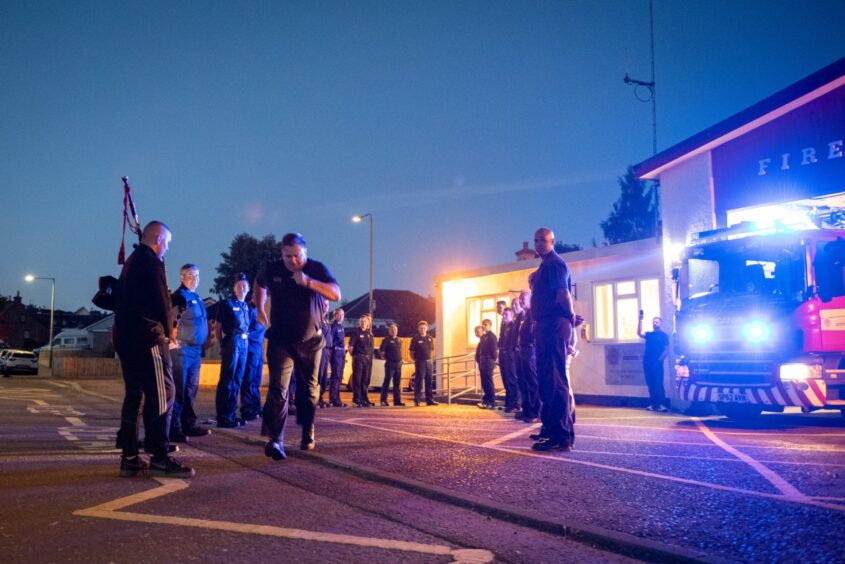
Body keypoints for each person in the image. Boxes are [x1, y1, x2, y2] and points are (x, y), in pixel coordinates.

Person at [113, 220, 194, 478]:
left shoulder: (132, 262)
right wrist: (168, 333)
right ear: (158, 239)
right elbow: (161, 303)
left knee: (134, 396)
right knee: (164, 394)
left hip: (126, 339)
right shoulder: (152, 263)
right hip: (148, 338)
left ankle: (129, 456)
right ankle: (159, 455)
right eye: (167, 243)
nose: (167, 248)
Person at [255, 233, 341, 460]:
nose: (292, 261)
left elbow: (336, 293)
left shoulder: (316, 268)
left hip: (311, 343)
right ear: (281, 254)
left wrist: (309, 282)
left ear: (305, 253)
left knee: (309, 390)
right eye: (287, 256)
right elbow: (259, 283)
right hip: (281, 341)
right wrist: (260, 308)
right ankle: (276, 440)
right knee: (278, 390)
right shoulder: (272, 269)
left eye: (297, 256)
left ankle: (307, 429)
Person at [530, 227, 577, 452]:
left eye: (543, 240)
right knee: (547, 380)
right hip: (545, 326)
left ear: (552, 241)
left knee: (555, 379)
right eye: (536, 240)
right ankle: (550, 428)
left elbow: (563, 295)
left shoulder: (555, 264)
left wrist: (570, 317)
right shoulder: (544, 265)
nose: (539, 244)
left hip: (554, 325)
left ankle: (562, 435)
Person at [170, 264, 210, 443]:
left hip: (195, 350)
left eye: (197, 276)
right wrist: (173, 339)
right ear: (181, 278)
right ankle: (174, 427)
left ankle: (189, 424)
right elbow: (171, 319)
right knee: (179, 389)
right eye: (190, 276)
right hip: (182, 349)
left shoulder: (197, 298)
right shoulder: (179, 296)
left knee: (191, 389)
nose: (194, 279)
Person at [215, 273, 251, 428]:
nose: (242, 289)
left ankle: (231, 414)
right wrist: (222, 344)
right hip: (232, 341)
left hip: (244, 342)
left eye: (245, 286)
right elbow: (218, 326)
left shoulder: (246, 306)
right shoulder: (227, 304)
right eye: (239, 286)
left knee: (237, 379)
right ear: (234, 287)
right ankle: (223, 416)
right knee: (227, 379)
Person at [514, 290, 539, 423]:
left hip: (530, 351)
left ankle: (534, 412)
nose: (521, 301)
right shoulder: (525, 315)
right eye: (520, 298)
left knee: (532, 383)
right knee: (523, 382)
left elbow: (534, 333)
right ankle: (527, 409)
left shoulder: (533, 313)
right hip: (523, 351)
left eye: (524, 298)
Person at [638, 312, 670, 412]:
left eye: (657, 322)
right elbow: (639, 333)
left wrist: (659, 360)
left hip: (657, 363)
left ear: (660, 324)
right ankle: (653, 404)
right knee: (650, 383)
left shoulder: (664, 335)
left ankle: (661, 404)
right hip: (647, 362)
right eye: (654, 322)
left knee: (658, 383)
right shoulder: (649, 335)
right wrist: (640, 320)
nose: (655, 323)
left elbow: (667, 350)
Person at [241, 296, 266, 422]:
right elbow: (245, 328)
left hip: (259, 349)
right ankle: (247, 408)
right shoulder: (249, 310)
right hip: (251, 348)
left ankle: (256, 407)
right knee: (249, 379)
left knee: (256, 379)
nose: (264, 299)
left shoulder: (260, 311)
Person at [409, 320, 437, 406]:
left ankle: (429, 400)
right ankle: (417, 400)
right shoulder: (415, 339)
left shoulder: (430, 338)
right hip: (419, 362)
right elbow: (411, 352)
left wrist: (429, 359)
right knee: (419, 381)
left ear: (427, 328)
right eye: (421, 328)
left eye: (424, 328)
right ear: (418, 329)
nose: (422, 329)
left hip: (429, 362)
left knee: (429, 381)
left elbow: (431, 350)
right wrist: (416, 360)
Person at [349, 314, 375, 407]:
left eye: (365, 321)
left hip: (368, 360)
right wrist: (356, 356)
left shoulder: (369, 334)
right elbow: (350, 347)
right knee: (357, 380)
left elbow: (371, 348)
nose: (363, 323)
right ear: (359, 323)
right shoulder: (356, 333)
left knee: (365, 380)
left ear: (368, 323)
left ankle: (364, 399)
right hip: (358, 358)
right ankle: (356, 400)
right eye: (362, 322)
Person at [498, 306, 520, 413]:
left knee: (512, 379)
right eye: (503, 315)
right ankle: (510, 401)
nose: (504, 317)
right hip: (505, 355)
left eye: (506, 315)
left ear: (512, 316)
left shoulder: (513, 326)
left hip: (511, 356)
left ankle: (514, 403)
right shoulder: (505, 327)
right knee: (507, 379)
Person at [379, 323, 405, 406]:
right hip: (390, 364)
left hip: (398, 364)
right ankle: (383, 400)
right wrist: (388, 358)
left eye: (395, 330)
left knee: (397, 384)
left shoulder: (399, 340)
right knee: (386, 382)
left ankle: (397, 401)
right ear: (389, 331)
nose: (394, 331)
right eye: (392, 330)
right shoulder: (386, 340)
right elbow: (382, 352)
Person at [327, 308, 347, 407]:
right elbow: (331, 341)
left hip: (342, 352)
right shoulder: (333, 326)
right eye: (339, 314)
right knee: (335, 376)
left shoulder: (341, 327)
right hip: (336, 353)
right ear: (335, 315)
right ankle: (333, 399)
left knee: (339, 377)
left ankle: (337, 399)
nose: (341, 316)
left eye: (342, 315)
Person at [476, 319, 498, 409]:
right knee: (484, 382)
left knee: (489, 382)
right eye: (483, 325)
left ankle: (491, 402)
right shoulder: (484, 337)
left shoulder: (492, 336)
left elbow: (494, 351)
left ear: (490, 325)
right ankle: (486, 400)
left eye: (485, 325)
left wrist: (492, 361)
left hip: (488, 361)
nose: (483, 326)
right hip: (483, 361)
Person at [317, 300, 331, 408]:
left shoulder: (326, 319)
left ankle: (320, 397)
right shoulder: (318, 318)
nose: (326, 307)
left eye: (328, 305)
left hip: (327, 351)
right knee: (318, 374)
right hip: (320, 349)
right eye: (324, 304)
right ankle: (315, 398)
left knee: (324, 377)